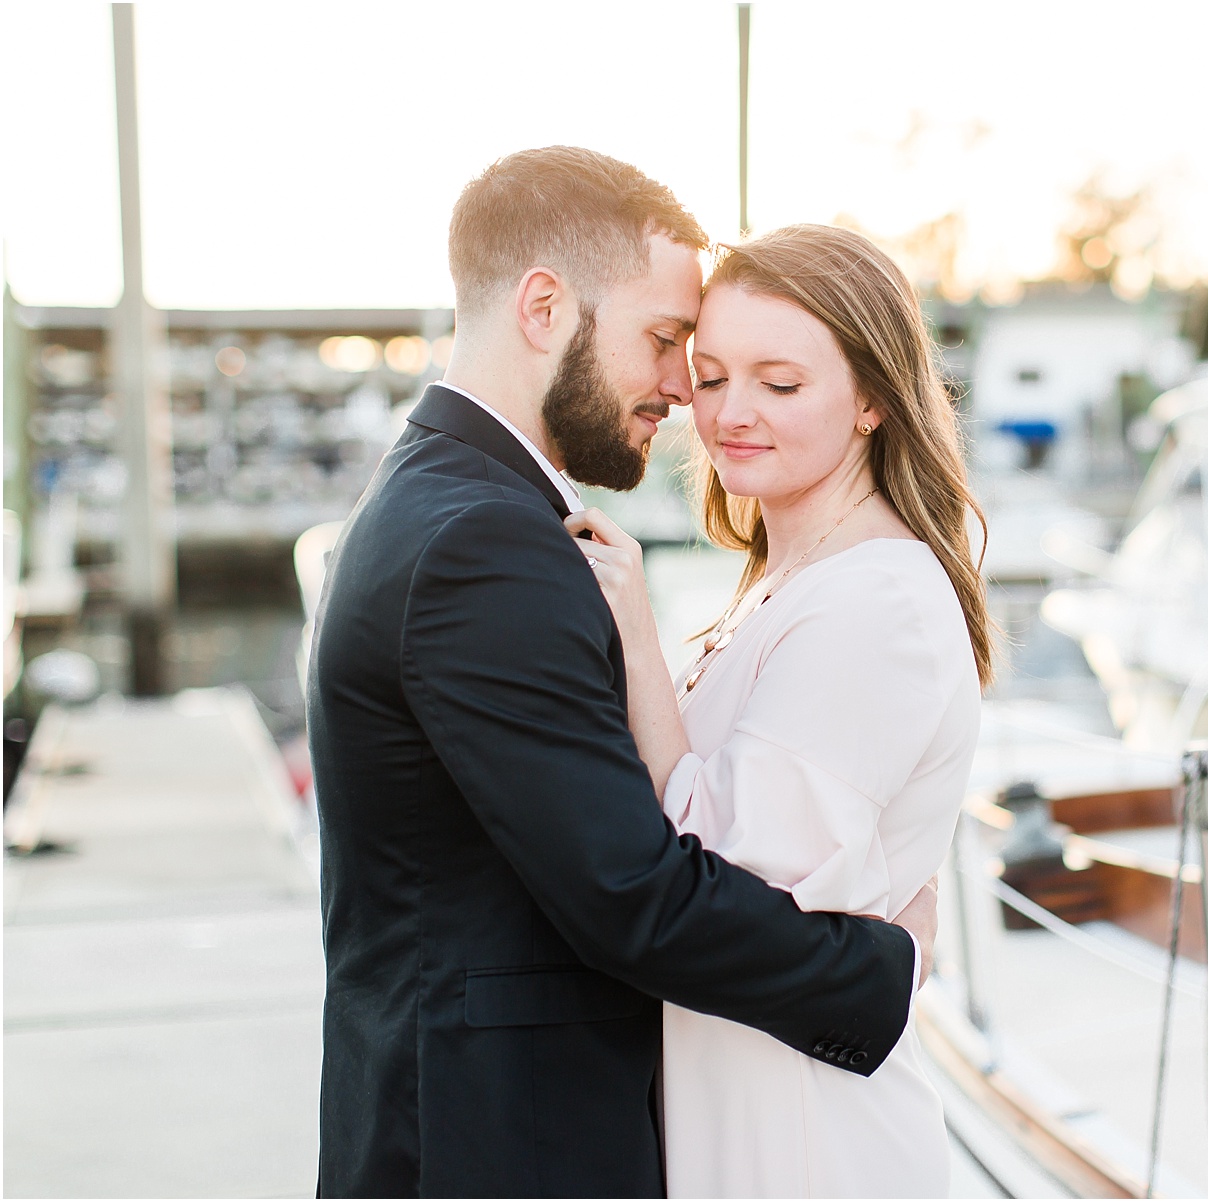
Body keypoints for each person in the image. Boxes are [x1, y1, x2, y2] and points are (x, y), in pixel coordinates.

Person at [306, 149, 937, 1198]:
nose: (684, 388)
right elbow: (630, 894)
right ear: (546, 307)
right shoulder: (483, 541)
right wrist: (881, 972)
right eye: (665, 340)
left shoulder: (453, 500)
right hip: (501, 1149)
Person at [569, 224, 992, 1198]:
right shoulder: (791, 578)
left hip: (812, 1145)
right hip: (747, 1113)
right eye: (710, 377)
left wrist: (633, 629)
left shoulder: (873, 601)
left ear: (874, 398)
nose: (731, 414)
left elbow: (720, 887)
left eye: (780, 382)